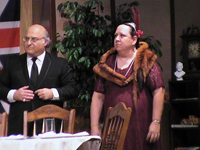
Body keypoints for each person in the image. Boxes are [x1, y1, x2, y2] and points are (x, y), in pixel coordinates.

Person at [90, 23, 165, 150]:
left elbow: (159, 91)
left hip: (140, 126)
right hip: (113, 128)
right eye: (116, 35)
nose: (117, 39)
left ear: (134, 40)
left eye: (122, 36)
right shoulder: (107, 63)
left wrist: (156, 122)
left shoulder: (145, 60)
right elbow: (98, 97)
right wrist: (94, 127)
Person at [0, 24, 78, 136]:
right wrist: (14, 94)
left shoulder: (59, 64)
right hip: (19, 127)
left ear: (45, 42)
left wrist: (52, 93)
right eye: (26, 39)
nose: (28, 43)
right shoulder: (12, 63)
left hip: (48, 127)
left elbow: (73, 89)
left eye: (34, 39)